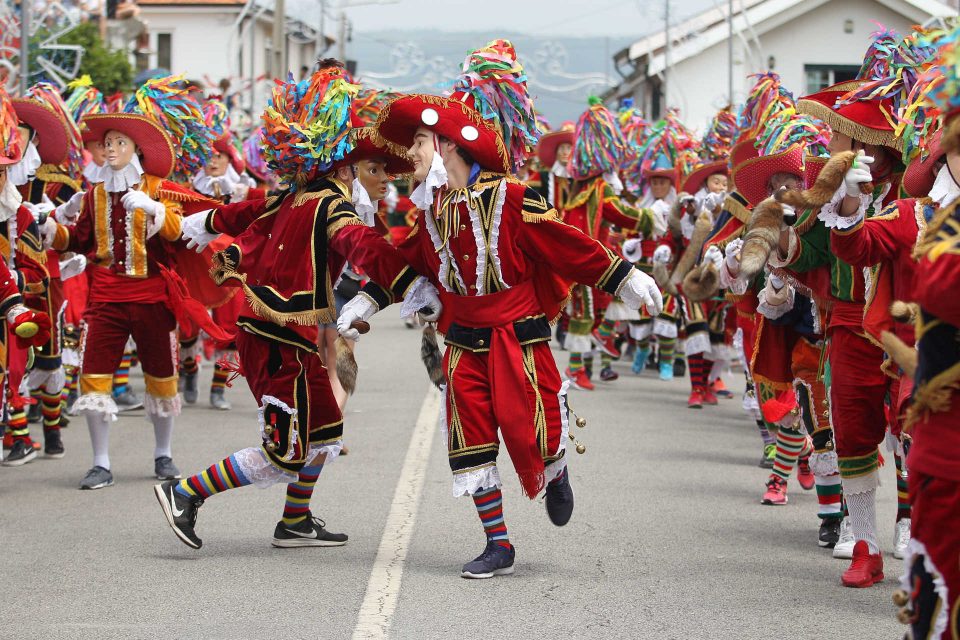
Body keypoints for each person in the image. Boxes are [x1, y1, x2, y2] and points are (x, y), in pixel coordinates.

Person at [374, 40, 662, 578]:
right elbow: (406, 262)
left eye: (418, 142)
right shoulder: (432, 211)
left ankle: (555, 471)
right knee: (471, 438)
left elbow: (564, 243)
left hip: (517, 334)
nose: (410, 154)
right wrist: (372, 295)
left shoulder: (512, 196)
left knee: (531, 429)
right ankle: (498, 543)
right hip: (463, 342)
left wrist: (624, 277)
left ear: (448, 145)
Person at [156, 61, 437, 550]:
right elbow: (362, 246)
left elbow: (246, 208)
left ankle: (295, 521)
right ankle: (184, 493)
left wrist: (205, 221)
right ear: (347, 168)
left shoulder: (299, 192)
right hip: (272, 338)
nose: (383, 182)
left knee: (326, 426)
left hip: (286, 335)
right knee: (282, 451)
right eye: (374, 170)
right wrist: (411, 282)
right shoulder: (331, 204)